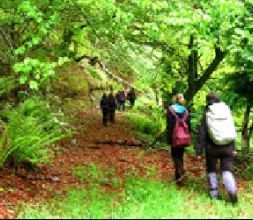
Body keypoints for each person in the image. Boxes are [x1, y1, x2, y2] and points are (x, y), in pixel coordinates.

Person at [195, 92, 238, 204]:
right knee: (226, 170)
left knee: (211, 169)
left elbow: (202, 133)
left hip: (212, 148)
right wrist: (234, 147)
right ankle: (232, 192)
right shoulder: (227, 111)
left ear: (208, 101)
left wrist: (198, 151)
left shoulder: (208, 113)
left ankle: (214, 193)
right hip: (228, 146)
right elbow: (231, 129)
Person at [166, 93, 191, 186]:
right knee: (180, 155)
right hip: (183, 137)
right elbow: (189, 126)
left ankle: (179, 175)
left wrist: (169, 139)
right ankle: (181, 172)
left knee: (175, 156)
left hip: (174, 137)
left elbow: (169, 126)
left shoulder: (170, 110)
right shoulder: (186, 111)